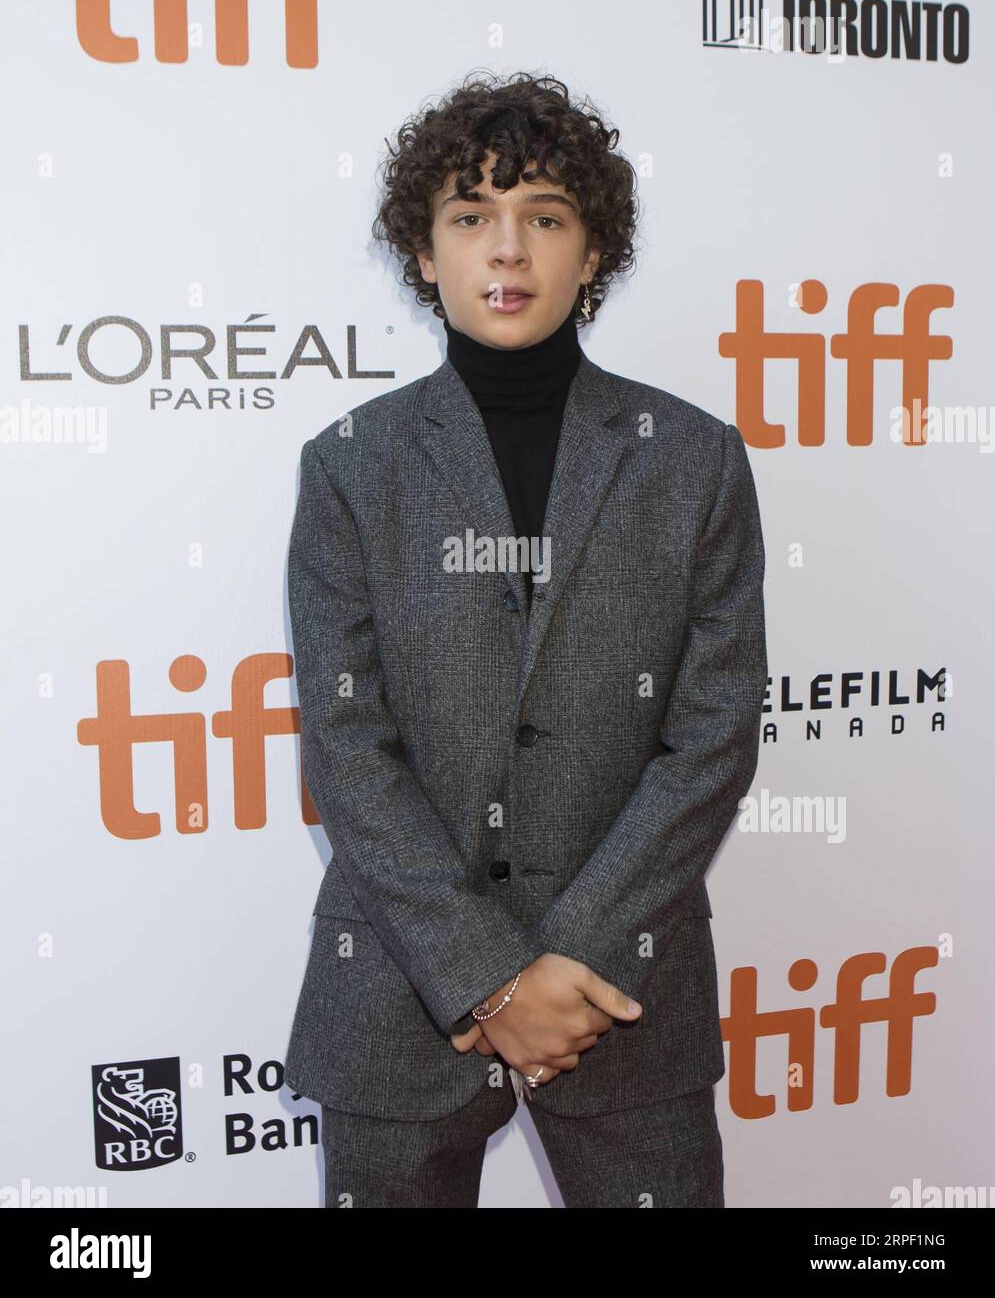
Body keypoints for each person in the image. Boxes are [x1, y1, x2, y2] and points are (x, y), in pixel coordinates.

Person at [283, 70, 768, 1208]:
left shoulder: (690, 457)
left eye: (543, 217)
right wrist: (486, 979)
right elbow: (347, 745)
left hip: (623, 991)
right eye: (470, 218)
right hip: (401, 993)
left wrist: (571, 959)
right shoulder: (349, 464)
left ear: (592, 251)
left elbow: (713, 732)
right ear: (423, 253)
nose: (507, 251)